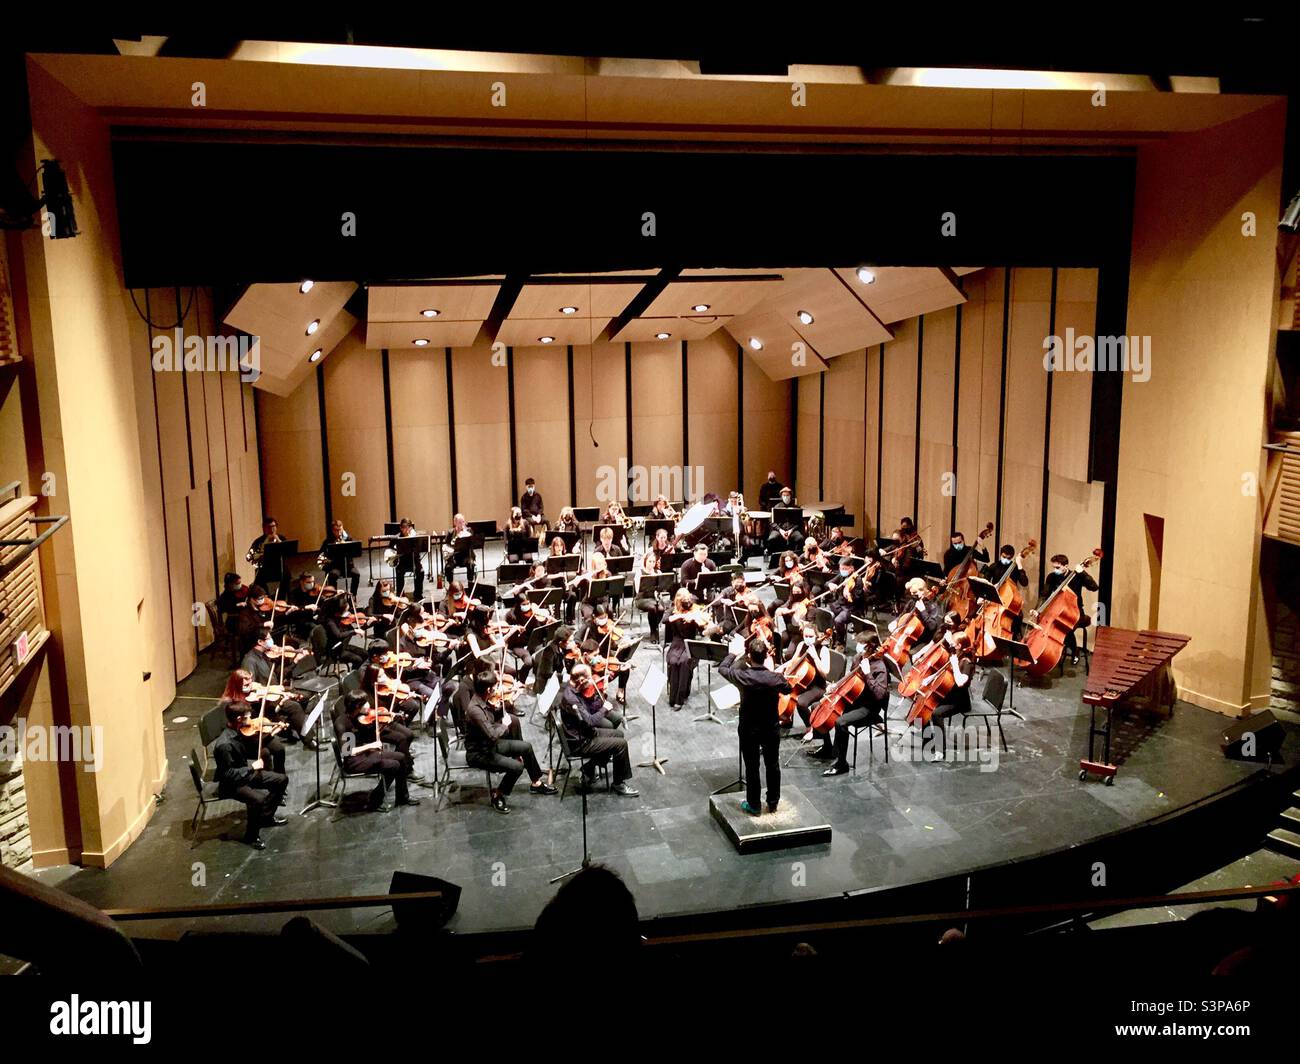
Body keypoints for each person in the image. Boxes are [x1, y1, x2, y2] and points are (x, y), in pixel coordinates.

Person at [464, 672, 557, 813]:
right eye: (495, 687)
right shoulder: (475, 710)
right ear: (488, 690)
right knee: (517, 767)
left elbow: (490, 723)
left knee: (526, 747)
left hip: (489, 746)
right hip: (480, 753)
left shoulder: (482, 700)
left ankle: (536, 783)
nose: (497, 690)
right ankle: (498, 794)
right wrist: (504, 725)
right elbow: (492, 735)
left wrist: (497, 709)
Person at [719, 634, 791, 816]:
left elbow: (722, 668)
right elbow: (788, 688)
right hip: (770, 728)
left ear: (749, 656)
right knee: (772, 764)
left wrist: (733, 654)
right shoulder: (775, 678)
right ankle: (773, 802)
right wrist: (777, 672)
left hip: (748, 728)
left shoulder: (742, 676)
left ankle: (754, 805)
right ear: (767, 655)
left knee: (752, 767)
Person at [212, 704, 289, 849]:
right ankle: (251, 836)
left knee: (281, 780)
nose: (251, 720)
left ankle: (265, 817)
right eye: (248, 717)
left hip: (245, 775)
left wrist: (272, 733)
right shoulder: (224, 745)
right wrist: (251, 768)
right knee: (258, 799)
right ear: (239, 719)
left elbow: (252, 749)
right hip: (232, 784)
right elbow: (226, 774)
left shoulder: (238, 731)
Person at [559, 663, 638, 796]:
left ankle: (589, 768)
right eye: (589, 679)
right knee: (621, 744)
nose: (591, 681)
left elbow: (589, 711)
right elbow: (590, 721)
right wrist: (604, 709)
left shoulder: (574, 689)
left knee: (619, 734)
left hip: (585, 732)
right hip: (580, 741)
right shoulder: (572, 699)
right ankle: (618, 784)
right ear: (581, 680)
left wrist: (601, 697)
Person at [336, 691, 420, 810]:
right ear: (356, 706)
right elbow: (348, 752)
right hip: (354, 761)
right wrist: (371, 746)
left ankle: (402, 797)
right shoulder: (342, 724)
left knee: (401, 757)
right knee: (394, 765)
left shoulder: (357, 717)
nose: (368, 705)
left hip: (365, 754)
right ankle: (375, 800)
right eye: (364, 703)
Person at [821, 636, 891, 777]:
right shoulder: (858, 658)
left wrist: (867, 674)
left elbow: (879, 695)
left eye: (861, 643)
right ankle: (829, 749)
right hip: (855, 700)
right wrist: (836, 686)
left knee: (840, 722)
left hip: (869, 708)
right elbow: (850, 677)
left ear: (869, 647)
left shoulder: (880, 667)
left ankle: (842, 764)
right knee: (821, 707)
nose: (857, 645)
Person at [1041, 554, 1099, 664]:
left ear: (1066, 566)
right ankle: (1047, 651)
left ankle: (1074, 651)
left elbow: (1094, 587)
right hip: (1057, 610)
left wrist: (1082, 572)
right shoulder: (1051, 577)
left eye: (1057, 568)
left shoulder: (1077, 576)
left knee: (1066, 628)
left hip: (1075, 612)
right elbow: (1044, 594)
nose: (1055, 570)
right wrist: (1038, 610)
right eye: (1054, 567)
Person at [664, 590, 708, 710]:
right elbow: (665, 620)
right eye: (683, 600)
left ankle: (680, 697)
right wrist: (681, 615)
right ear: (678, 601)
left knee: (684, 663)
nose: (688, 603)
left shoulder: (695, 610)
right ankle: (673, 696)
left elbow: (702, 632)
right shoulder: (672, 610)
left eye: (688, 600)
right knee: (673, 662)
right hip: (677, 643)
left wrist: (701, 623)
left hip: (690, 644)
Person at [319, 518, 361, 598]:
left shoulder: (348, 539)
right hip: (335, 566)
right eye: (336, 530)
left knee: (356, 574)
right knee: (333, 575)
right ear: (332, 530)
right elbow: (321, 556)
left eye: (340, 530)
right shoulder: (328, 541)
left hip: (348, 565)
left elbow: (353, 553)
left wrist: (345, 545)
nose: (339, 532)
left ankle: (353, 596)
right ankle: (334, 596)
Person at [248, 516, 288, 593]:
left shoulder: (282, 538)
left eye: (274, 526)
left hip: (281, 570)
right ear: (264, 528)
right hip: (265, 573)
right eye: (269, 527)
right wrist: (260, 557)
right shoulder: (258, 541)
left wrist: (279, 542)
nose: (272, 529)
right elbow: (250, 558)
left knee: (282, 596)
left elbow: (288, 553)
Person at [392, 516, 425, 601]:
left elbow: (419, 550)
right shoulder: (397, 537)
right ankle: (400, 594)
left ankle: (418, 594)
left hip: (414, 561)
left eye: (408, 527)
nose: (406, 529)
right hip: (403, 562)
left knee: (420, 572)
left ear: (410, 528)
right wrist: (395, 551)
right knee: (399, 571)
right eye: (403, 527)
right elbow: (390, 548)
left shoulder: (415, 537)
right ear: (400, 528)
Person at [443, 513, 477, 583]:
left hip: (466, 556)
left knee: (471, 564)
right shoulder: (451, 532)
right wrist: (450, 550)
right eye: (460, 522)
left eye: (463, 522)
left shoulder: (469, 531)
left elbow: (472, 543)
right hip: (454, 557)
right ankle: (451, 586)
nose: (462, 524)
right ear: (455, 523)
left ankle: (470, 583)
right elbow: (446, 545)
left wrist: (466, 533)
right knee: (448, 567)